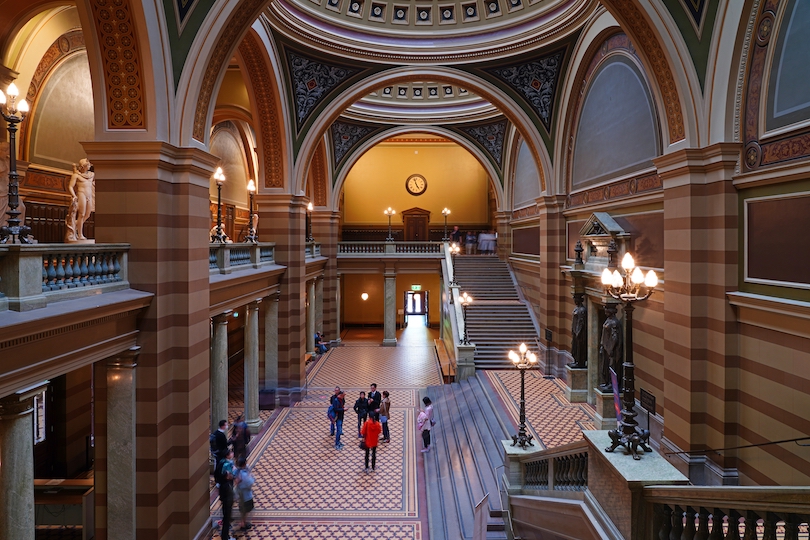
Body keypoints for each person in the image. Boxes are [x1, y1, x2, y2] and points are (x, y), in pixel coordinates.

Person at [66, 158, 95, 241]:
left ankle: (74, 225)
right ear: (83, 166)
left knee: (87, 215)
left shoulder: (92, 175)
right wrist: (74, 195)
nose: (89, 166)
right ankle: (80, 234)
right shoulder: (76, 175)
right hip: (81, 194)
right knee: (81, 215)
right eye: (88, 165)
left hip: (89, 195)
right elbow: (70, 186)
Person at [215, 449, 236, 540]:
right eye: (230, 453)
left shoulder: (221, 463)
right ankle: (225, 537)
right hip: (227, 495)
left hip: (223, 494)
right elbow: (231, 476)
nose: (232, 454)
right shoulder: (227, 465)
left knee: (225, 515)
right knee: (227, 516)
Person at [234, 457, 255, 531]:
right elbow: (250, 482)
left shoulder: (237, 471)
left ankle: (243, 522)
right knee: (245, 509)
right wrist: (251, 475)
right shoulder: (244, 475)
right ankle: (243, 523)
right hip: (246, 495)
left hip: (240, 493)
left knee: (243, 508)